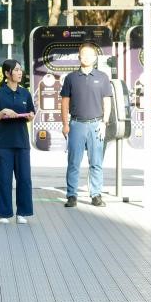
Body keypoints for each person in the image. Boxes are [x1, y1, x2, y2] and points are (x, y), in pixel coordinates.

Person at [60, 41, 111, 208]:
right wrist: (65, 124)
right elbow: (64, 103)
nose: (87, 57)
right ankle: (71, 195)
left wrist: (104, 123)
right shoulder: (71, 78)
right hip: (76, 124)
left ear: (95, 58)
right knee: (74, 162)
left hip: (96, 125)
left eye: (90, 55)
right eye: (84, 54)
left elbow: (107, 102)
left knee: (96, 162)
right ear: (79, 57)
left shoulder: (102, 77)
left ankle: (96, 195)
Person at [0, 58, 36, 225]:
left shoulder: (25, 93)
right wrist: (3, 112)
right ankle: (4, 212)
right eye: (16, 70)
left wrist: (30, 116)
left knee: (24, 179)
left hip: (22, 142)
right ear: (7, 73)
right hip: (3, 144)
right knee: (4, 178)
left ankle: (23, 212)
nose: (19, 72)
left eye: (20, 69)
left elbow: (31, 113)